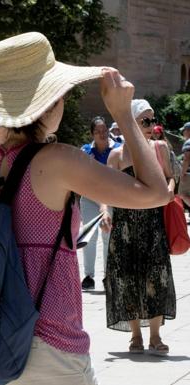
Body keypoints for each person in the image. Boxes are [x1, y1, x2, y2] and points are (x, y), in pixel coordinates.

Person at [0, 32, 169, 384]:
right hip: (50, 340)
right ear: (48, 104)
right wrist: (124, 117)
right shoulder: (60, 160)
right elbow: (156, 192)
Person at [100, 99, 176, 356]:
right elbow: (105, 191)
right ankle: (135, 336)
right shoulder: (116, 156)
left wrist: (169, 191)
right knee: (127, 280)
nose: (151, 125)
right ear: (130, 122)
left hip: (152, 225)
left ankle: (155, 336)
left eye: (152, 120)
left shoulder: (158, 149)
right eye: (145, 120)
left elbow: (170, 177)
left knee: (156, 277)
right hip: (124, 227)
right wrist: (104, 212)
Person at [78, 116, 121, 290]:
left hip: (111, 198)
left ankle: (107, 276)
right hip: (89, 197)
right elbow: (82, 179)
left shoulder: (117, 149)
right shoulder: (85, 151)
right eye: (98, 131)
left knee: (108, 236)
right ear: (92, 134)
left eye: (104, 130)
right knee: (90, 236)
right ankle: (88, 275)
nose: (102, 134)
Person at [178, 122, 190, 207]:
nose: (183, 133)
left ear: (188, 131)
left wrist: (182, 173)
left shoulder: (188, 142)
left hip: (188, 174)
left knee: (182, 194)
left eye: (184, 131)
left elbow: (187, 158)